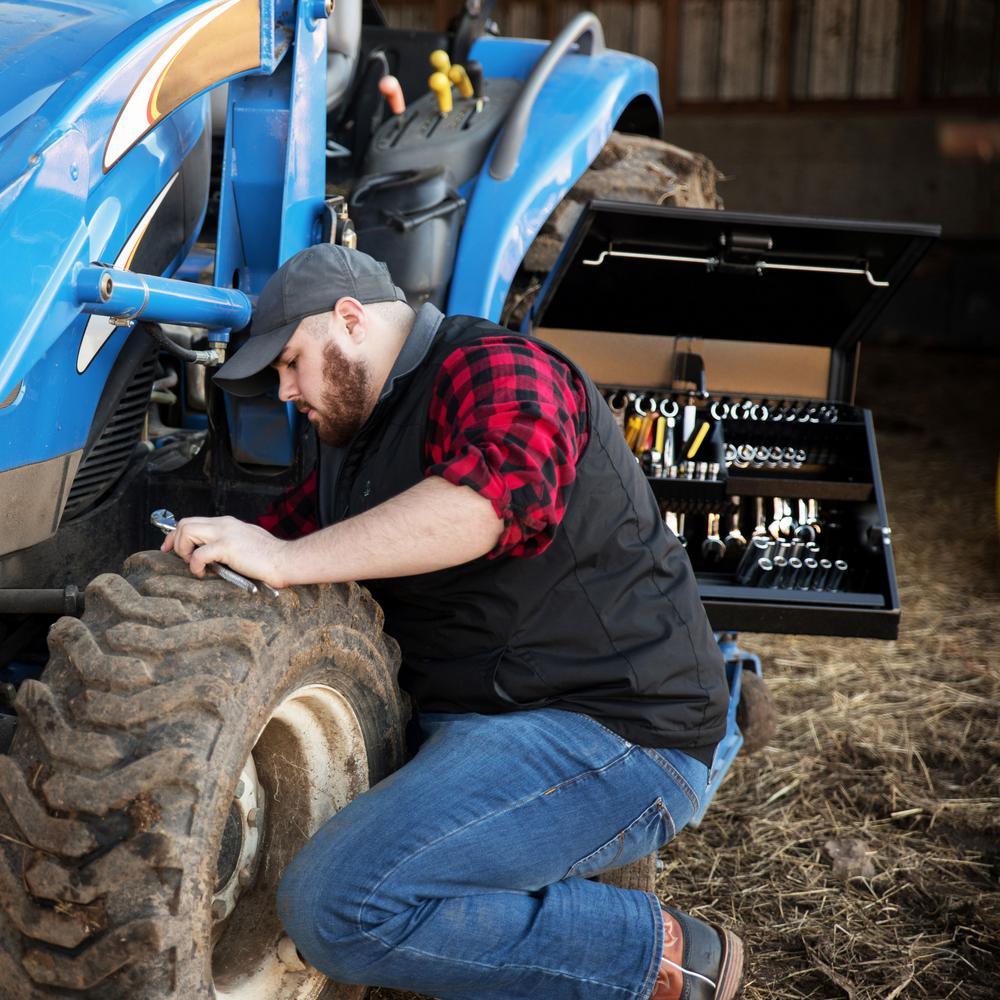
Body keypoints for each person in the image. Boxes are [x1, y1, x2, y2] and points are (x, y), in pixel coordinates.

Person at [164, 243, 742, 1000]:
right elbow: (293, 540)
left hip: (611, 725)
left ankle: (660, 957)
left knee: (338, 906)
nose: (285, 391)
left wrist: (284, 558)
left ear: (350, 319)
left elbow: (492, 504)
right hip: (482, 721)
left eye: (291, 362)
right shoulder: (353, 441)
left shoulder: (496, 366)